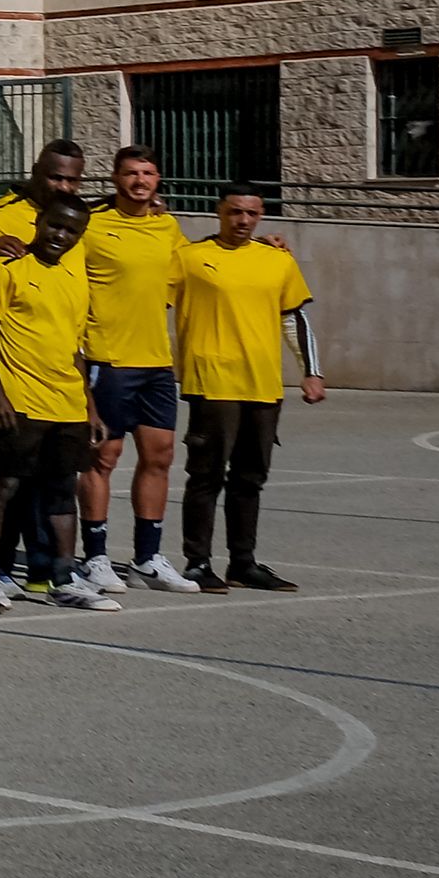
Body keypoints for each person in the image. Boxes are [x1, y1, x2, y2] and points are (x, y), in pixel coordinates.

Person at [175, 186, 324, 591]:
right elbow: (152, 304)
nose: (243, 221)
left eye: (251, 214)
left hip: (262, 384)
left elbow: (294, 318)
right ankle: (197, 562)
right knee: (205, 476)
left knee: (250, 478)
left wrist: (312, 372)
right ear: (219, 212)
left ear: (261, 216)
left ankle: (243, 562)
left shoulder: (277, 261)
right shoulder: (189, 258)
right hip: (212, 382)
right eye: (235, 212)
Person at [0, 193, 112, 610]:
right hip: (19, 399)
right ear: (39, 222)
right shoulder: (5, 268)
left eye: (72, 231)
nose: (61, 235)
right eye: (55, 225)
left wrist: (89, 405)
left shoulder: (72, 276)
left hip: (66, 402)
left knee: (60, 491)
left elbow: (74, 348)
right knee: (3, 485)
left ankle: (63, 575)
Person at [76, 147, 201, 595]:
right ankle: (95, 559)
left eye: (148, 173)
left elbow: (195, 270)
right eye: (131, 173)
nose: (140, 180)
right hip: (107, 360)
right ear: (115, 178)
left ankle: (147, 558)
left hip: (155, 363)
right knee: (102, 459)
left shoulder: (167, 227)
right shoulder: (91, 224)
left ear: (158, 179)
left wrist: (263, 244)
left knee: (160, 456)